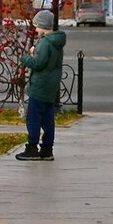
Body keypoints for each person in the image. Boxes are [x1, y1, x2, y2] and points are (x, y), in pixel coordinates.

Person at [15, 9, 66, 161]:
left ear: (44, 27)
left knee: (34, 118)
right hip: (50, 88)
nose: (36, 30)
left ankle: (32, 147)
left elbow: (38, 64)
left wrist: (27, 57)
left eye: (37, 26)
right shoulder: (57, 42)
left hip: (39, 86)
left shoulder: (45, 43)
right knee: (48, 119)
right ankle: (47, 149)